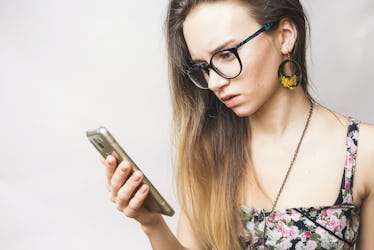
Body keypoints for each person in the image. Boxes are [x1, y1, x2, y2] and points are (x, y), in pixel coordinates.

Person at [101, 0, 374, 249]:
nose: (213, 82)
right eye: (202, 67)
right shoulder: (211, 151)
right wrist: (151, 223)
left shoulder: (364, 153)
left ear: (285, 36)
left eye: (227, 54)